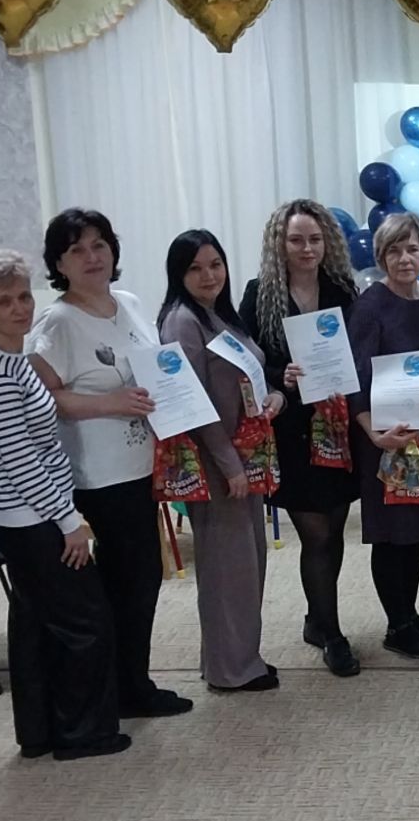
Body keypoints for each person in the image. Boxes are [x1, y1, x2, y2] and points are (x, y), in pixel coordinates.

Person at [0, 249, 129, 760]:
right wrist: (69, 522)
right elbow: (21, 463)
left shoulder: (12, 358)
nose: (19, 308)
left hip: (26, 515)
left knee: (36, 622)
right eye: (3, 301)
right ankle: (82, 734)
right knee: (85, 623)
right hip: (31, 519)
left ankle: (39, 732)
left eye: (23, 296)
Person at [27, 209, 192, 719]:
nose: (92, 257)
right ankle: (127, 690)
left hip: (143, 462)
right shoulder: (57, 323)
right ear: (59, 263)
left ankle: (126, 682)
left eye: (99, 245)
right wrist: (109, 403)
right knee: (131, 580)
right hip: (98, 473)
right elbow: (42, 399)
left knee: (139, 578)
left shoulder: (131, 303)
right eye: (76, 250)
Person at [238, 200, 363, 676]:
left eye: (314, 239)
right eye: (296, 240)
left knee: (334, 528)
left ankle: (317, 618)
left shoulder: (343, 291)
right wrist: (279, 374)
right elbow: (245, 361)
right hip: (291, 429)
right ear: (280, 243)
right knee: (315, 532)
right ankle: (332, 634)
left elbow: (360, 352)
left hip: (337, 427)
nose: (307, 248)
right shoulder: (259, 294)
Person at [158, 230, 282, 692]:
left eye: (215, 264)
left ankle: (239, 658)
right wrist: (229, 465)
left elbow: (248, 375)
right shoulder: (182, 322)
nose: (208, 275)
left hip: (244, 454)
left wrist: (273, 397)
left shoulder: (219, 315)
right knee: (227, 569)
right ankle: (231, 670)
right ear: (178, 274)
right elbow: (192, 403)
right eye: (195, 268)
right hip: (218, 463)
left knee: (247, 564)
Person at [347, 213, 419, 660]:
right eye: (394, 250)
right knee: (392, 532)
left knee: (418, 527)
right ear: (381, 256)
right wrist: (373, 433)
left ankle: (409, 613)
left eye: (412, 249)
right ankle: (397, 625)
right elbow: (356, 376)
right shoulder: (370, 304)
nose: (405, 258)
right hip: (385, 437)